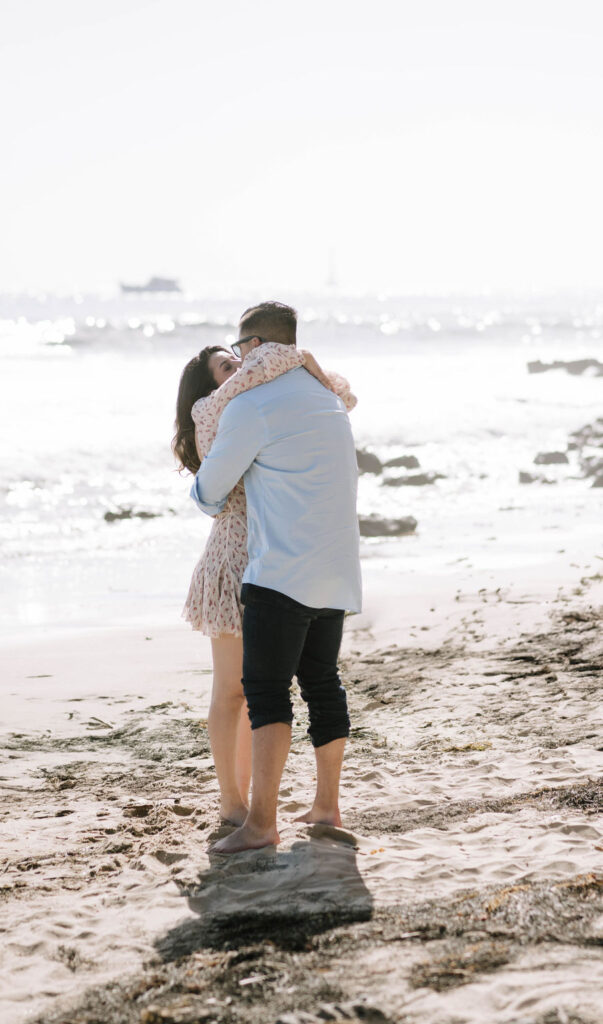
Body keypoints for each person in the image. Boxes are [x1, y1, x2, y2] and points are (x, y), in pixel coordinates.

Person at [190, 301, 362, 854]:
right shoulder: (328, 399)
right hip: (337, 571)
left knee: (266, 694)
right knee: (323, 685)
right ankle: (327, 808)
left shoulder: (252, 406)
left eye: (241, 350)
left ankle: (261, 825)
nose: (240, 361)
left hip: (281, 570)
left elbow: (211, 492)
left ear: (256, 347)